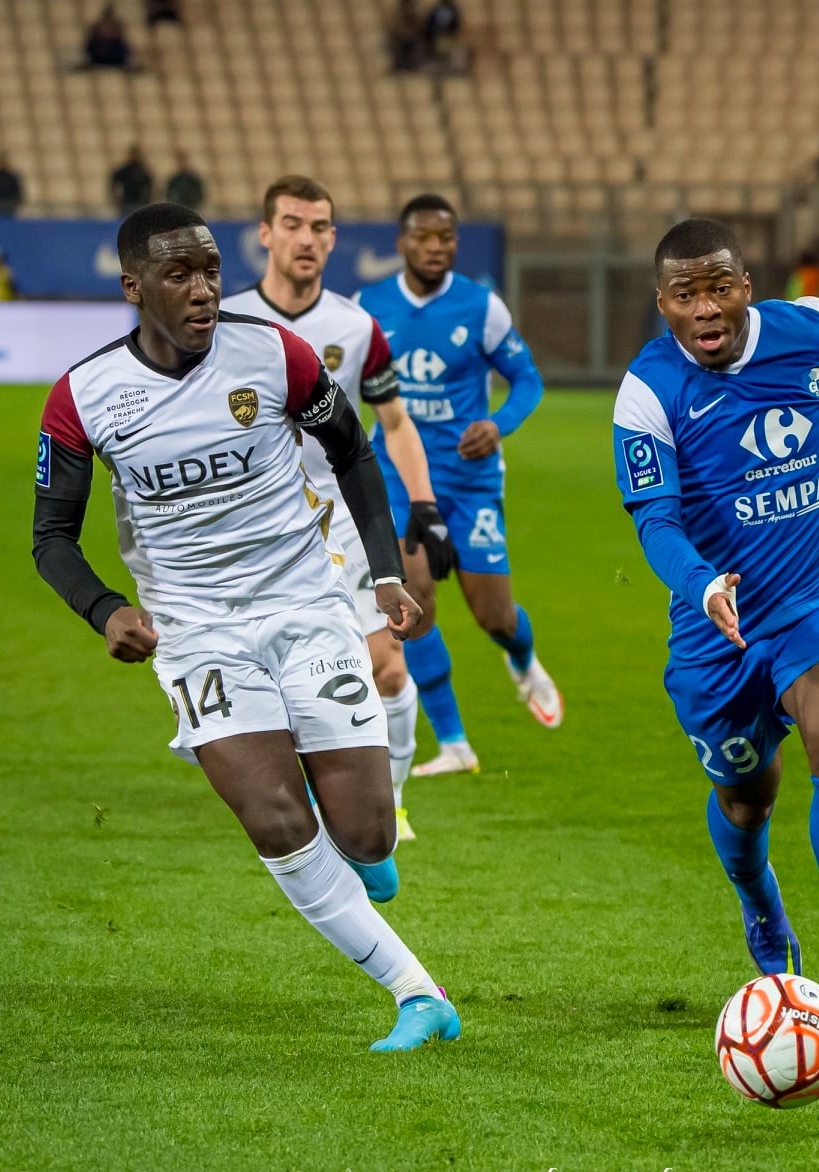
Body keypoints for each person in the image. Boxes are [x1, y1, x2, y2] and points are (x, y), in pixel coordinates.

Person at [30, 203, 461, 1052]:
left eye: (210, 271)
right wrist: (105, 607)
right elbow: (50, 538)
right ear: (133, 287)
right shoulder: (82, 397)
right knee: (272, 814)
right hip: (197, 634)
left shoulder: (274, 355)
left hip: (307, 608)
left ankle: (361, 851)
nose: (202, 290)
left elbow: (353, 451)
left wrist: (381, 573)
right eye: (178, 275)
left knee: (367, 833)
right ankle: (418, 995)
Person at [611, 218, 819, 1052]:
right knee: (746, 796)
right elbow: (654, 519)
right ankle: (760, 901)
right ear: (663, 306)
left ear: (745, 287)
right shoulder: (648, 393)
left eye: (719, 285)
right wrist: (702, 584)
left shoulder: (808, 328)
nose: (706, 306)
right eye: (685, 294)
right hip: (717, 626)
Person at [221, 176, 459, 839]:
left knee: (387, 667)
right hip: (257, 540)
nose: (307, 238)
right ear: (265, 234)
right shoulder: (226, 325)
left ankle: (394, 801)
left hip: (345, 527)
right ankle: (303, 802)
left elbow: (397, 423)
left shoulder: (357, 328)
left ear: (333, 239)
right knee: (275, 693)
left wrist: (425, 506)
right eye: (292, 224)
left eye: (320, 226)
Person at [358, 193, 560, 777]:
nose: (437, 247)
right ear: (402, 244)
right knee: (411, 607)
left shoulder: (481, 307)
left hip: (471, 483)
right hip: (395, 479)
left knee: (494, 615)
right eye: (424, 237)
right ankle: (454, 743)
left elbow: (526, 380)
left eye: (446, 237)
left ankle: (523, 660)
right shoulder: (367, 308)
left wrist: (498, 425)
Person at [109, 145, 153, 215]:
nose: (135, 156)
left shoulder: (143, 171)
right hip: (126, 203)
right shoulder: (124, 170)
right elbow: (114, 182)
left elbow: (149, 186)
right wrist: (116, 199)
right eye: (133, 154)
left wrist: (146, 200)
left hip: (139, 204)